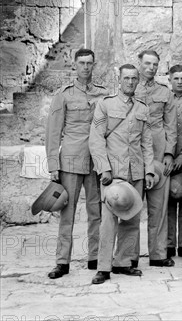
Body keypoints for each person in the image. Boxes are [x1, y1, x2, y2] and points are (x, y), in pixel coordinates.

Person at [89, 64, 156, 284]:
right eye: (126, 78)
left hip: (135, 171)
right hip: (113, 174)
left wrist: (149, 171)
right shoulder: (105, 105)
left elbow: (146, 143)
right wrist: (103, 168)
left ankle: (123, 262)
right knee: (108, 221)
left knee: (132, 219)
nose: (130, 82)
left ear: (138, 81)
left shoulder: (142, 108)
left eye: (133, 79)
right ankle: (104, 267)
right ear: (119, 80)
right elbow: (96, 139)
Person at [45, 48, 107, 279]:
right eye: (81, 63)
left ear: (94, 65)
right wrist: (53, 166)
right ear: (74, 65)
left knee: (96, 212)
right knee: (66, 213)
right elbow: (53, 132)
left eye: (90, 63)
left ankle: (94, 257)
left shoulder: (102, 94)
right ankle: (62, 262)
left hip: (95, 161)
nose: (86, 67)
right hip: (70, 161)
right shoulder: (64, 94)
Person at [134, 50, 177, 268]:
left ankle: (158, 254)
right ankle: (129, 255)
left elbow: (171, 125)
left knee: (158, 206)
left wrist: (169, 153)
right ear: (139, 64)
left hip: (159, 150)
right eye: (147, 63)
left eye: (155, 64)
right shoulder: (131, 87)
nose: (151, 68)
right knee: (132, 204)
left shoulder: (165, 92)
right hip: (135, 151)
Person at [167, 64, 182, 259]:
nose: (180, 82)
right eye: (176, 78)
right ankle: (167, 245)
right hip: (165, 158)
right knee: (165, 202)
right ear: (170, 79)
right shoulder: (164, 100)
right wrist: (167, 156)